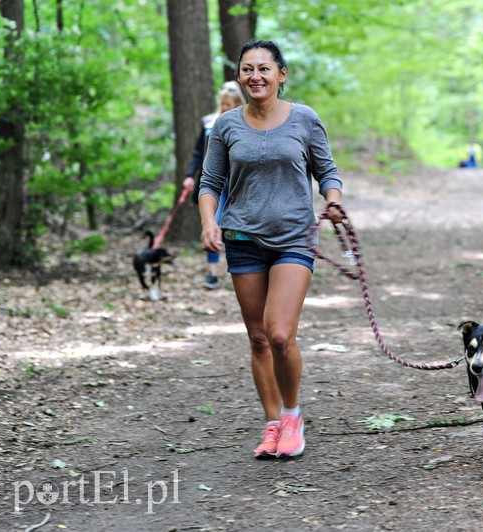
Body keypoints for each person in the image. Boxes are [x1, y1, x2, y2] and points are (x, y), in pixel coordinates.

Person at [198, 39, 344, 459]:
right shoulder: (226, 126)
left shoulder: (304, 119)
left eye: (264, 68)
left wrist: (332, 199)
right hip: (242, 239)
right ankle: (272, 423)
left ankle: (293, 414)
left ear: (281, 75)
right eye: (247, 69)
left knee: (280, 334)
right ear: (239, 76)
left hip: (294, 238)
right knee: (259, 338)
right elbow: (210, 184)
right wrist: (209, 223)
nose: (255, 76)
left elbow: (327, 170)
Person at [182, 81, 245, 289]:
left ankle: (244, 267)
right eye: (224, 103)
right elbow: (198, 152)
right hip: (216, 182)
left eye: (231, 103)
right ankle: (212, 272)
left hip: (239, 181)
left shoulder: (248, 122)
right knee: (212, 223)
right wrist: (190, 175)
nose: (226, 107)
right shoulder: (209, 123)